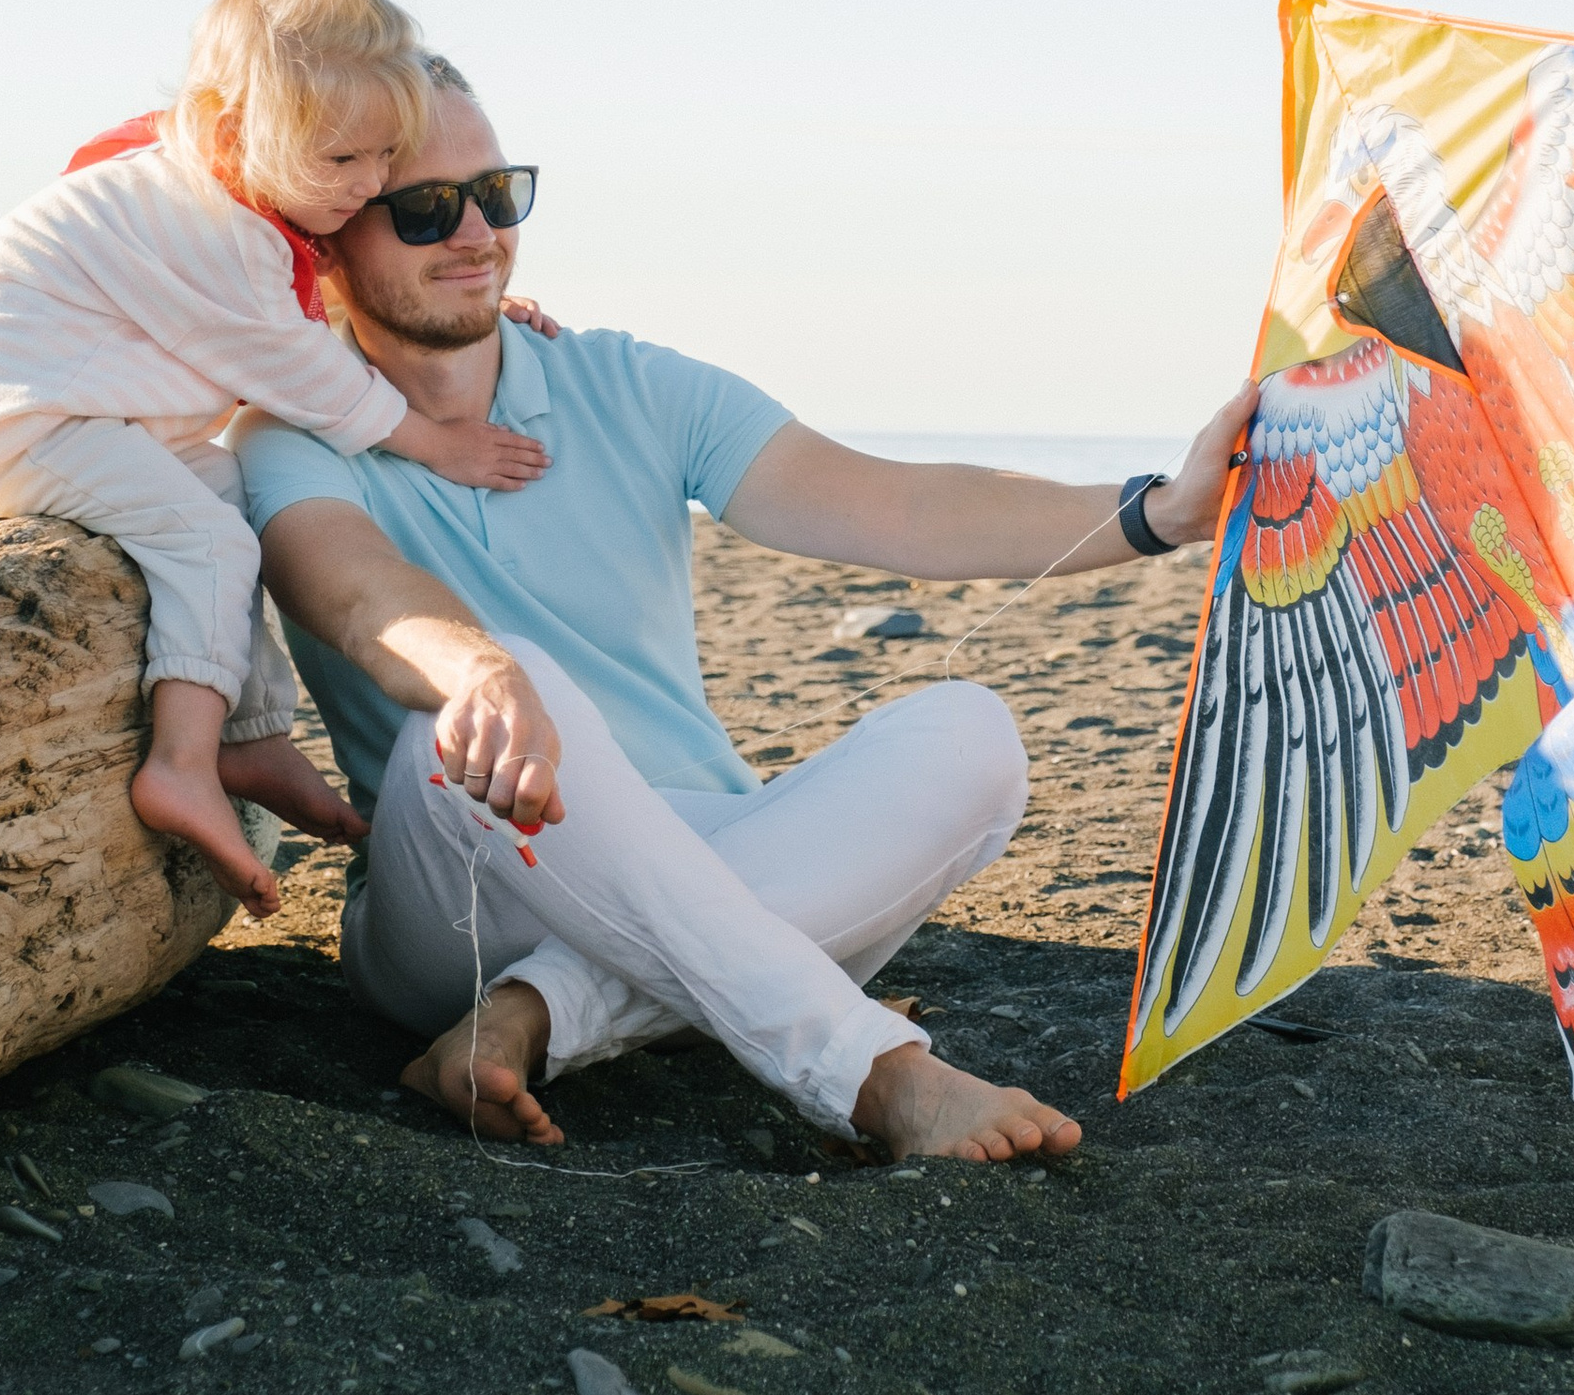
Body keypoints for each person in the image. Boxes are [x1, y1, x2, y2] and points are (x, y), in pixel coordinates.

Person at [238, 63, 1250, 1164]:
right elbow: (353, 590)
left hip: (724, 855)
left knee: (970, 734)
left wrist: (1159, 511)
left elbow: (892, 503)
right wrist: (479, 669)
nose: (477, 232)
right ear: (328, 234)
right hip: (460, 894)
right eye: (428, 209)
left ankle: (544, 1016)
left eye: (499, 192)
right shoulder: (285, 436)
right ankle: (875, 1075)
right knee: (485, 701)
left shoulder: (628, 383)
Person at [0, 0, 550, 923]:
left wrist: (481, 304)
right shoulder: (207, 221)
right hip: (14, 421)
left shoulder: (224, 190)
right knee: (209, 538)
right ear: (237, 133)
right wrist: (435, 442)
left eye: (383, 159)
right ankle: (181, 765)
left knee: (230, 498)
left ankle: (249, 731)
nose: (365, 185)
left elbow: (305, 327)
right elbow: (305, 369)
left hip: (82, 407)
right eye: (342, 160)